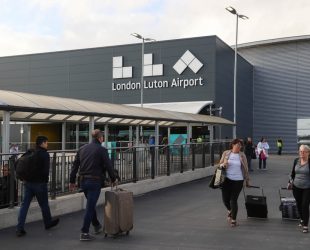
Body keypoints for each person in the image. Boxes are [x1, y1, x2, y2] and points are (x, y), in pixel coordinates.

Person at [69, 129, 116, 241]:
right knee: (90, 207)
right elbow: (109, 165)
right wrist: (113, 178)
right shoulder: (102, 150)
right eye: (102, 137)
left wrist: (71, 181)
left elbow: (75, 166)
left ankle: (96, 226)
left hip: (83, 182)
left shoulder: (82, 149)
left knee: (91, 204)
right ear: (100, 138)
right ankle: (84, 232)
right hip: (95, 182)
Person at [16, 136, 59, 237]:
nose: (47, 144)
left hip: (28, 183)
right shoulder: (45, 154)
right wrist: (45, 180)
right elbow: (45, 171)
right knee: (44, 205)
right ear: (43, 143)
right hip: (40, 184)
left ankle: (19, 228)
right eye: (46, 142)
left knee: (24, 206)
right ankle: (48, 223)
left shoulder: (31, 152)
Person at [219, 138, 250, 227]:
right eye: (238, 145)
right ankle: (230, 210)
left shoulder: (242, 155)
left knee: (233, 200)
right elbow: (219, 164)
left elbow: (246, 169)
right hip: (226, 179)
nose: (239, 146)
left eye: (240, 145)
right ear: (233, 145)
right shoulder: (226, 153)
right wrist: (223, 165)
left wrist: (247, 180)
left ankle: (234, 220)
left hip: (238, 180)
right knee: (225, 200)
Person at [287, 144, 310, 233]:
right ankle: (301, 218)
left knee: (305, 205)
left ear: (308, 152)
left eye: (304, 151)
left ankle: (305, 225)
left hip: (307, 187)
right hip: (296, 186)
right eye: (300, 151)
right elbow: (293, 173)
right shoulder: (296, 160)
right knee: (299, 204)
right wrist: (290, 182)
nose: (302, 153)